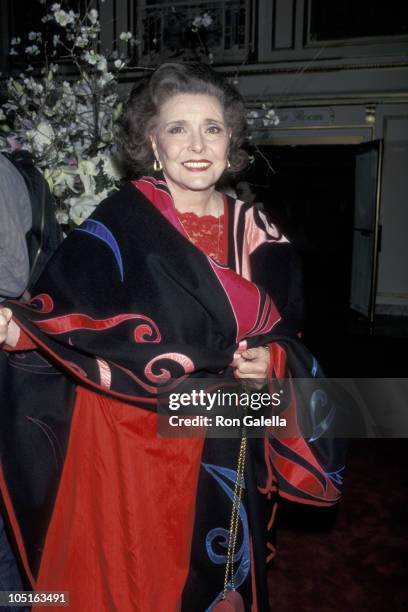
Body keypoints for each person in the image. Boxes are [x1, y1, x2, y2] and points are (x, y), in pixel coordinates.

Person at [0, 63, 345, 611]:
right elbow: (59, 310)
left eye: (212, 127)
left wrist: (272, 362)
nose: (197, 143)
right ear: (152, 145)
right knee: (134, 572)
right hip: (124, 431)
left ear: (231, 142)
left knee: (212, 572)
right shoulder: (121, 221)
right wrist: (18, 328)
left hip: (222, 425)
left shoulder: (263, 233)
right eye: (177, 128)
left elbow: (288, 334)